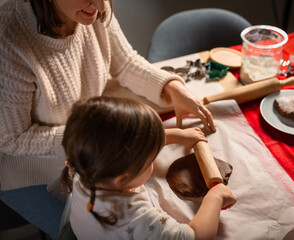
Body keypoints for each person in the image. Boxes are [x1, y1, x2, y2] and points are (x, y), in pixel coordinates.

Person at [0, 0, 215, 192]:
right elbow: (11, 139)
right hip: (41, 171)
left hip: (97, 143)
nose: (102, 7)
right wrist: (95, 138)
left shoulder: (92, 8)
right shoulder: (8, 39)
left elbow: (126, 63)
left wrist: (172, 87)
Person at [60, 96, 236, 240]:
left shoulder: (84, 167)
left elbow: (128, 141)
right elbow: (197, 236)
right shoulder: (135, 218)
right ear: (123, 179)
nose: (153, 159)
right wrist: (214, 198)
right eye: (150, 159)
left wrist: (177, 135)